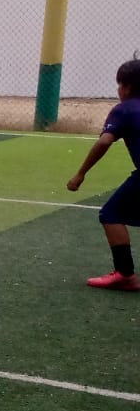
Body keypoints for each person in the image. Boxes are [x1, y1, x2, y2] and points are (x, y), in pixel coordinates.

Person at [66, 57, 140, 291]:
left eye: (119, 85)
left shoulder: (123, 110)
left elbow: (104, 142)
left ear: (126, 87)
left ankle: (125, 275)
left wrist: (80, 174)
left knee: (111, 213)